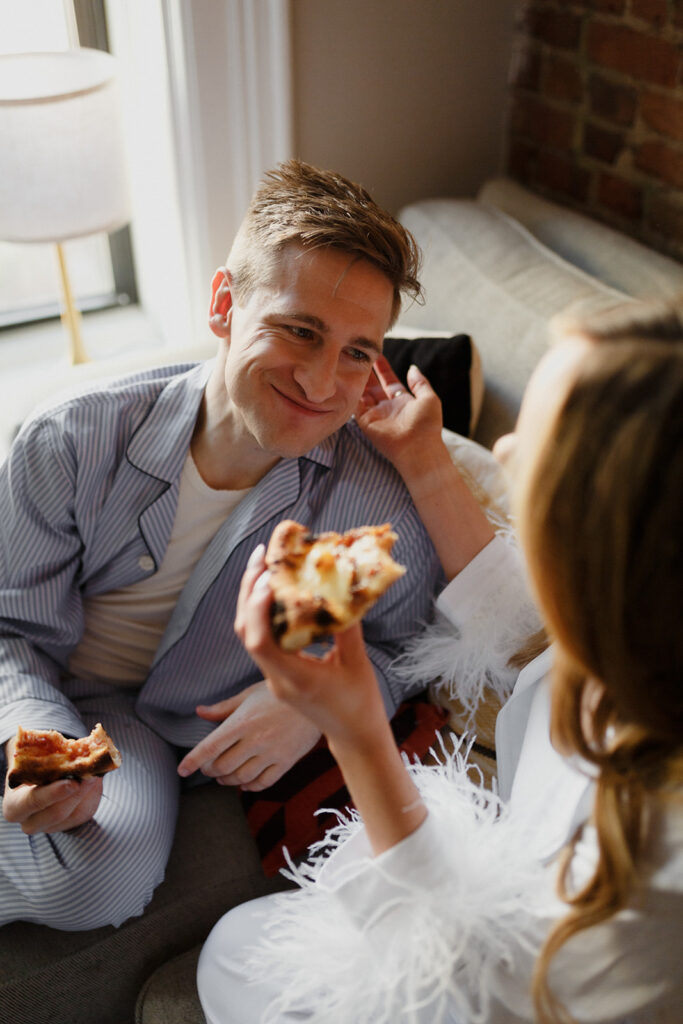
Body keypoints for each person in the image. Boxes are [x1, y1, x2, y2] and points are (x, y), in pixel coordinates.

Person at [0, 161, 474, 931]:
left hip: (151, 730)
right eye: (299, 331)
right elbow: (12, 629)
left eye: (357, 351)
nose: (323, 382)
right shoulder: (70, 438)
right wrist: (37, 746)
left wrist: (308, 705)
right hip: (44, 689)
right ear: (224, 305)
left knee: (95, 885)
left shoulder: (378, 497)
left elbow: (405, 649)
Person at [197, 296, 683, 1023]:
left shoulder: (657, 854)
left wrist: (356, 731)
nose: (506, 451)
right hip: (509, 909)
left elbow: (475, 986)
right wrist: (422, 457)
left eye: (537, 447)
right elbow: (520, 632)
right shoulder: (641, 638)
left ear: (600, 540)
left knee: (236, 953)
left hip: (499, 989)